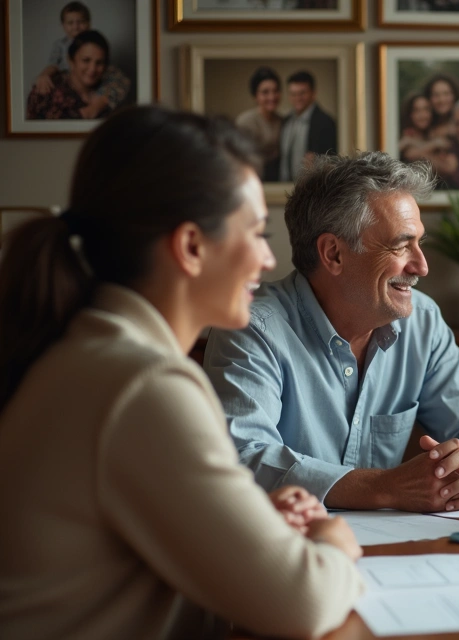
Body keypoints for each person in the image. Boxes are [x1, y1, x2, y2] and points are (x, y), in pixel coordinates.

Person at [0, 106, 363, 639]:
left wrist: (251, 521)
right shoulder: (142, 385)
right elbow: (302, 603)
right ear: (192, 246)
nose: (267, 259)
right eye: (258, 232)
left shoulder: (91, 355)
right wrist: (334, 540)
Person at [203, 152, 459, 514]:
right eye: (401, 245)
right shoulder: (252, 327)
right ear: (334, 254)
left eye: (419, 243)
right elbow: (243, 456)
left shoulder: (423, 322)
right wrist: (385, 488)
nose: (421, 265)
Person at [30, 2, 130, 119]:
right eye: (70, 23)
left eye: (81, 22)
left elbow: (120, 80)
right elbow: (53, 64)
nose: (76, 27)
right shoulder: (60, 45)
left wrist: (97, 105)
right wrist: (44, 74)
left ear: (89, 23)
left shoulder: (97, 43)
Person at [26, 30, 121, 121]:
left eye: (99, 62)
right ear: (71, 61)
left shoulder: (113, 90)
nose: (92, 69)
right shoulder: (45, 90)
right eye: (86, 60)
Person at [278, 70, 338, 182]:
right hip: (285, 188)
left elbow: (333, 161)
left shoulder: (325, 122)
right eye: (293, 94)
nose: (297, 98)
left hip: (312, 188)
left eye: (302, 93)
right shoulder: (286, 121)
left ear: (313, 93)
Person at [234, 66, 284, 181]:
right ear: (255, 96)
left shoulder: (282, 120)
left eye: (275, 91)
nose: (272, 97)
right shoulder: (245, 121)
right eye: (265, 92)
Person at [423, 73, 459, 143]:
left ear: (455, 95)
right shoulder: (425, 125)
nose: (441, 100)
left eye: (446, 94)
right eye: (436, 95)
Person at [397, 92, 438, 163]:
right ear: (409, 114)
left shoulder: (435, 134)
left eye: (426, 109)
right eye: (416, 110)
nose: (423, 115)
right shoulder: (401, 136)